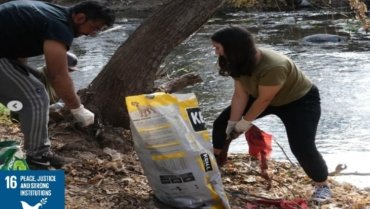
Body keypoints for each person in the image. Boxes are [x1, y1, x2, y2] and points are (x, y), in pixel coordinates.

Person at [210, 25, 332, 203]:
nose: (215, 52)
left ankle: (323, 186)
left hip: (299, 101)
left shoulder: (274, 66)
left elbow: (263, 102)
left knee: (302, 147)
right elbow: (240, 94)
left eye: (217, 48)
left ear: (232, 47)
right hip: (262, 95)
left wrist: (244, 124)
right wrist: (232, 124)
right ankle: (216, 164)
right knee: (221, 124)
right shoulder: (236, 60)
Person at [0, 0, 115, 169]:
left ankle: (38, 150)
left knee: (33, 88)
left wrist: (26, 76)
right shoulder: (60, 26)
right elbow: (58, 75)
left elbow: (18, 48)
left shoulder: (54, 14)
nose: (92, 34)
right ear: (80, 18)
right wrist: (77, 109)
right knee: (36, 97)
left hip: (6, 55)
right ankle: (38, 157)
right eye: (95, 28)